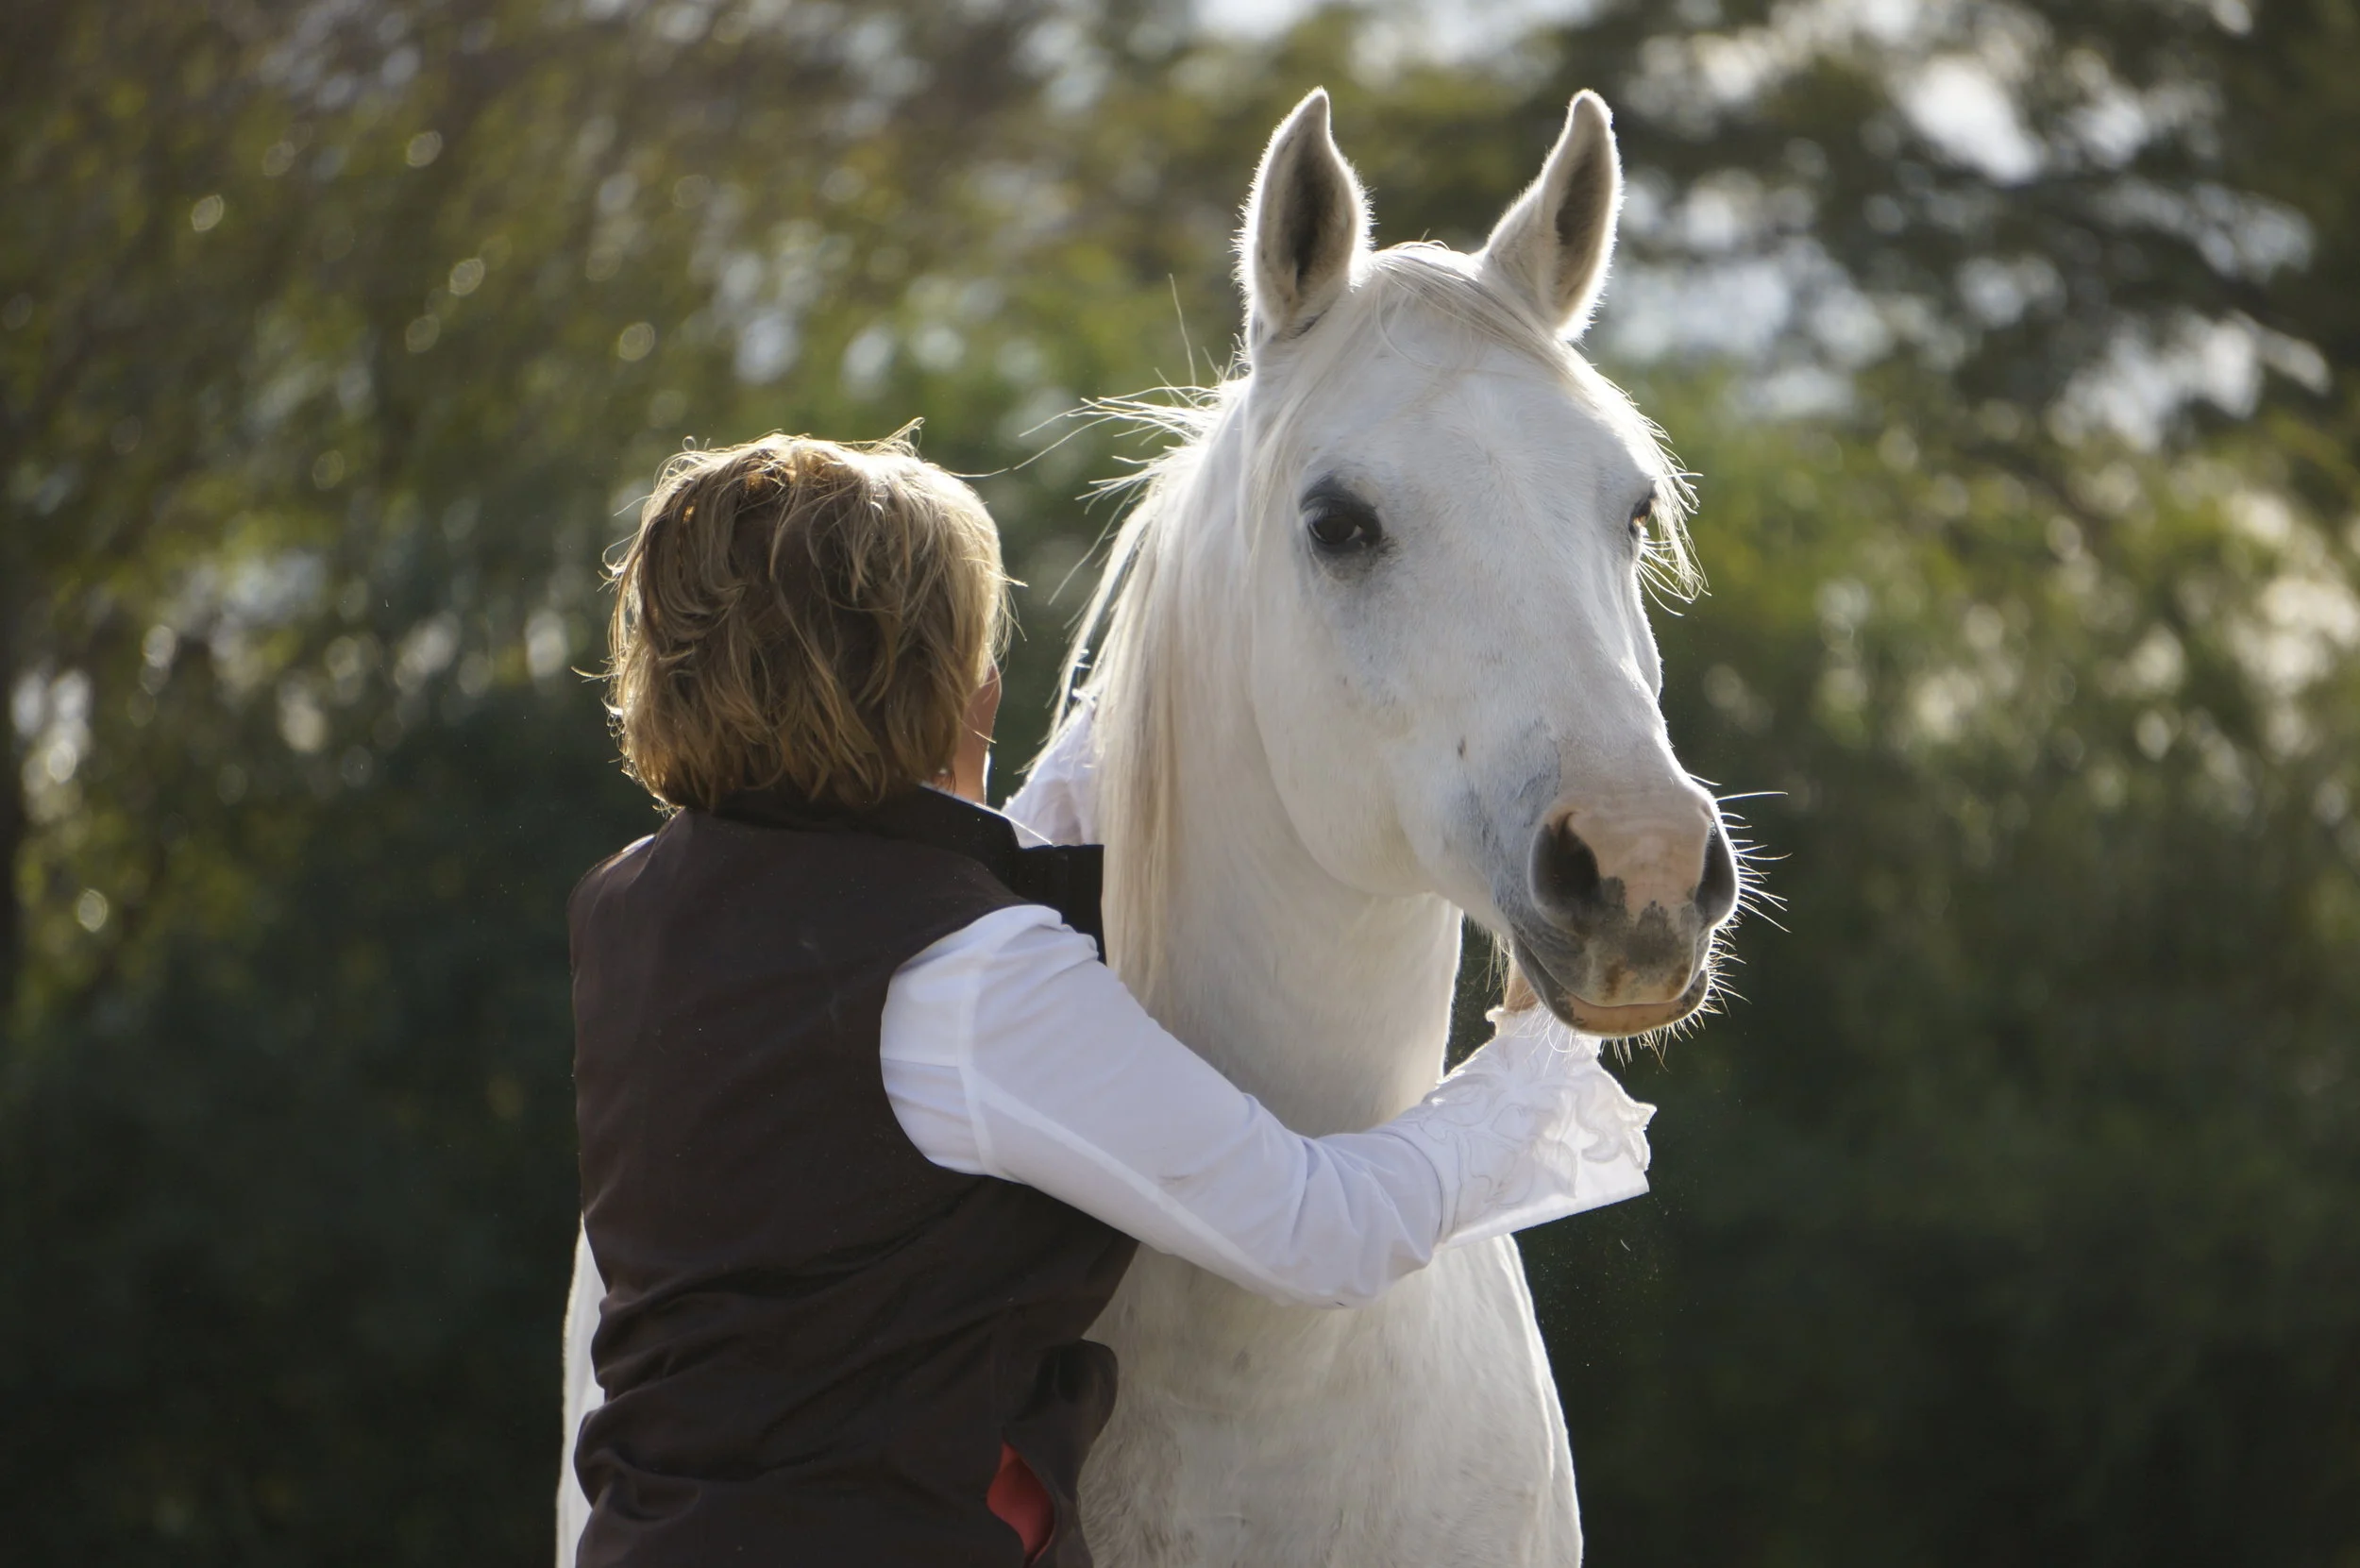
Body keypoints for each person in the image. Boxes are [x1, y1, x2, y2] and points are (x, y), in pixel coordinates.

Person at [565, 431, 1656, 1567]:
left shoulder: (634, 905)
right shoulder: (971, 982)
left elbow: (965, 889)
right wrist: (1536, 1066)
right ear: (964, 695)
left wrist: (1159, 692)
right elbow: (1316, 1228)